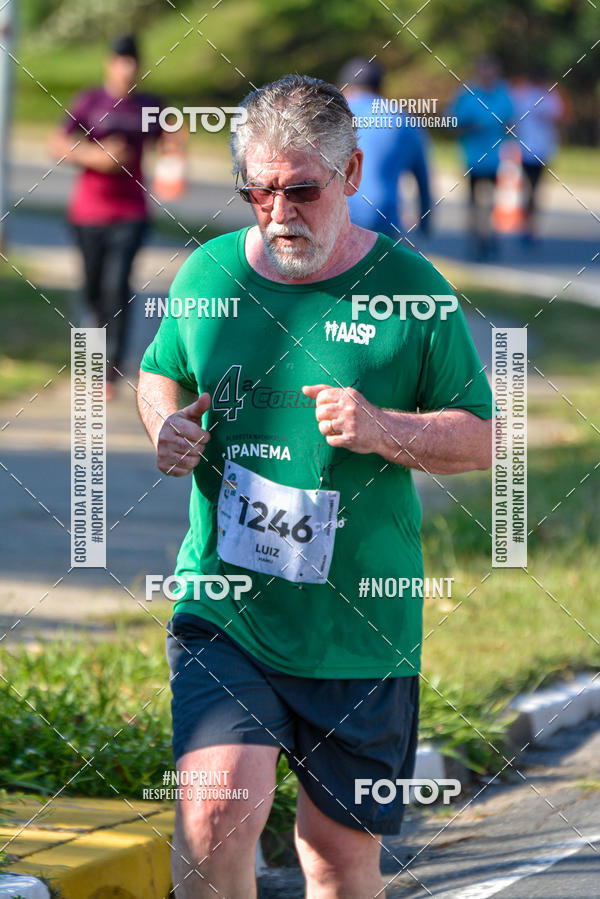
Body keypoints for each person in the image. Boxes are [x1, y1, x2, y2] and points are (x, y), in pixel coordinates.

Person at [137, 74, 493, 898]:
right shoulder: (208, 275)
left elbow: (483, 437)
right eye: (257, 191)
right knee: (213, 812)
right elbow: (159, 374)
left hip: (359, 625)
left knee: (336, 856)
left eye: (301, 189)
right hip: (227, 606)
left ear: (353, 174)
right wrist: (165, 426)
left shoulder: (412, 293)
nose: (278, 212)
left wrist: (384, 429)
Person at [48, 34, 168, 398]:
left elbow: (172, 143)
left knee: (118, 287)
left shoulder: (151, 106)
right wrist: (95, 156)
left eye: (133, 61)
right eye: (121, 61)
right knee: (93, 290)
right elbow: (56, 143)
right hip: (88, 212)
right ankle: (91, 357)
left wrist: (176, 163)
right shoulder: (90, 102)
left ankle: (109, 371)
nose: (127, 68)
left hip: (131, 212)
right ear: (109, 63)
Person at [339, 57, 432, 241]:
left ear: (344, 87)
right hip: (384, 219)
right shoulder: (403, 118)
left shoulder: (332, 115)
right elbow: (422, 175)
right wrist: (425, 221)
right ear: (381, 88)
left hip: (339, 216)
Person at [448, 55, 513, 260]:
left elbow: (511, 121)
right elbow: (452, 121)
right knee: (474, 202)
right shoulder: (468, 94)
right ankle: (476, 238)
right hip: (472, 158)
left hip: (495, 158)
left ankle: (489, 235)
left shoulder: (503, 93)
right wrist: (469, 126)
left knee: (492, 201)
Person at [511, 68, 565, 243]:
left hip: (543, 150)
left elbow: (558, 116)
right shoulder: (523, 94)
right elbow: (512, 118)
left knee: (535, 189)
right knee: (527, 188)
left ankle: (530, 226)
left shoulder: (551, 96)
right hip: (525, 149)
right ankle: (526, 224)